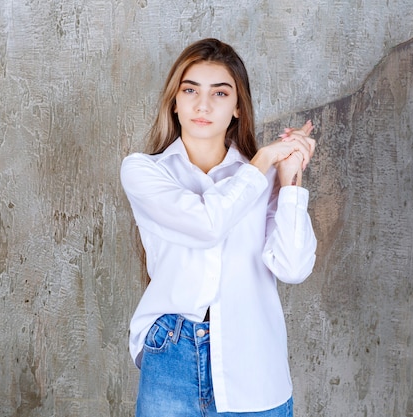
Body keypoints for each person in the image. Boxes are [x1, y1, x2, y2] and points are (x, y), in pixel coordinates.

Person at [120, 38, 317, 417]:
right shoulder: (144, 171)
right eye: (190, 89)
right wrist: (262, 165)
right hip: (172, 356)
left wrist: (290, 181)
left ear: (238, 107)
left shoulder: (265, 179)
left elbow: (293, 269)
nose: (203, 105)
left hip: (255, 363)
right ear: (174, 101)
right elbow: (207, 225)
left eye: (220, 93)